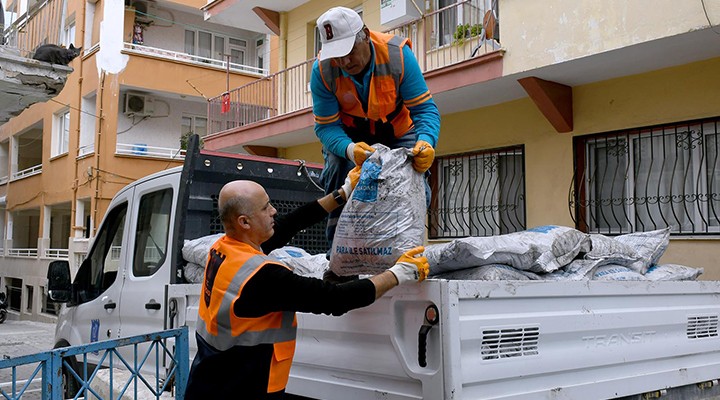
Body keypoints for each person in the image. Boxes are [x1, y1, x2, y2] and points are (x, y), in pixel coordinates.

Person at [184, 172, 430, 400]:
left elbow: (289, 224)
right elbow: (335, 298)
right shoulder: (262, 277)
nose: (274, 210)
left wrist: (341, 194)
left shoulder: (223, 249)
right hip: (242, 390)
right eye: (266, 207)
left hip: (210, 380)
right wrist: (399, 273)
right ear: (245, 222)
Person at [310, 6, 441, 245]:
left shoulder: (398, 56)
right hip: (350, 135)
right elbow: (326, 127)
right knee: (337, 166)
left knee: (413, 174)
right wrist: (350, 150)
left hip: (397, 130)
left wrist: (426, 141)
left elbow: (424, 110)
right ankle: (338, 257)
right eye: (337, 55)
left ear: (366, 35)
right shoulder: (322, 70)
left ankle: (407, 250)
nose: (345, 61)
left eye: (349, 51)